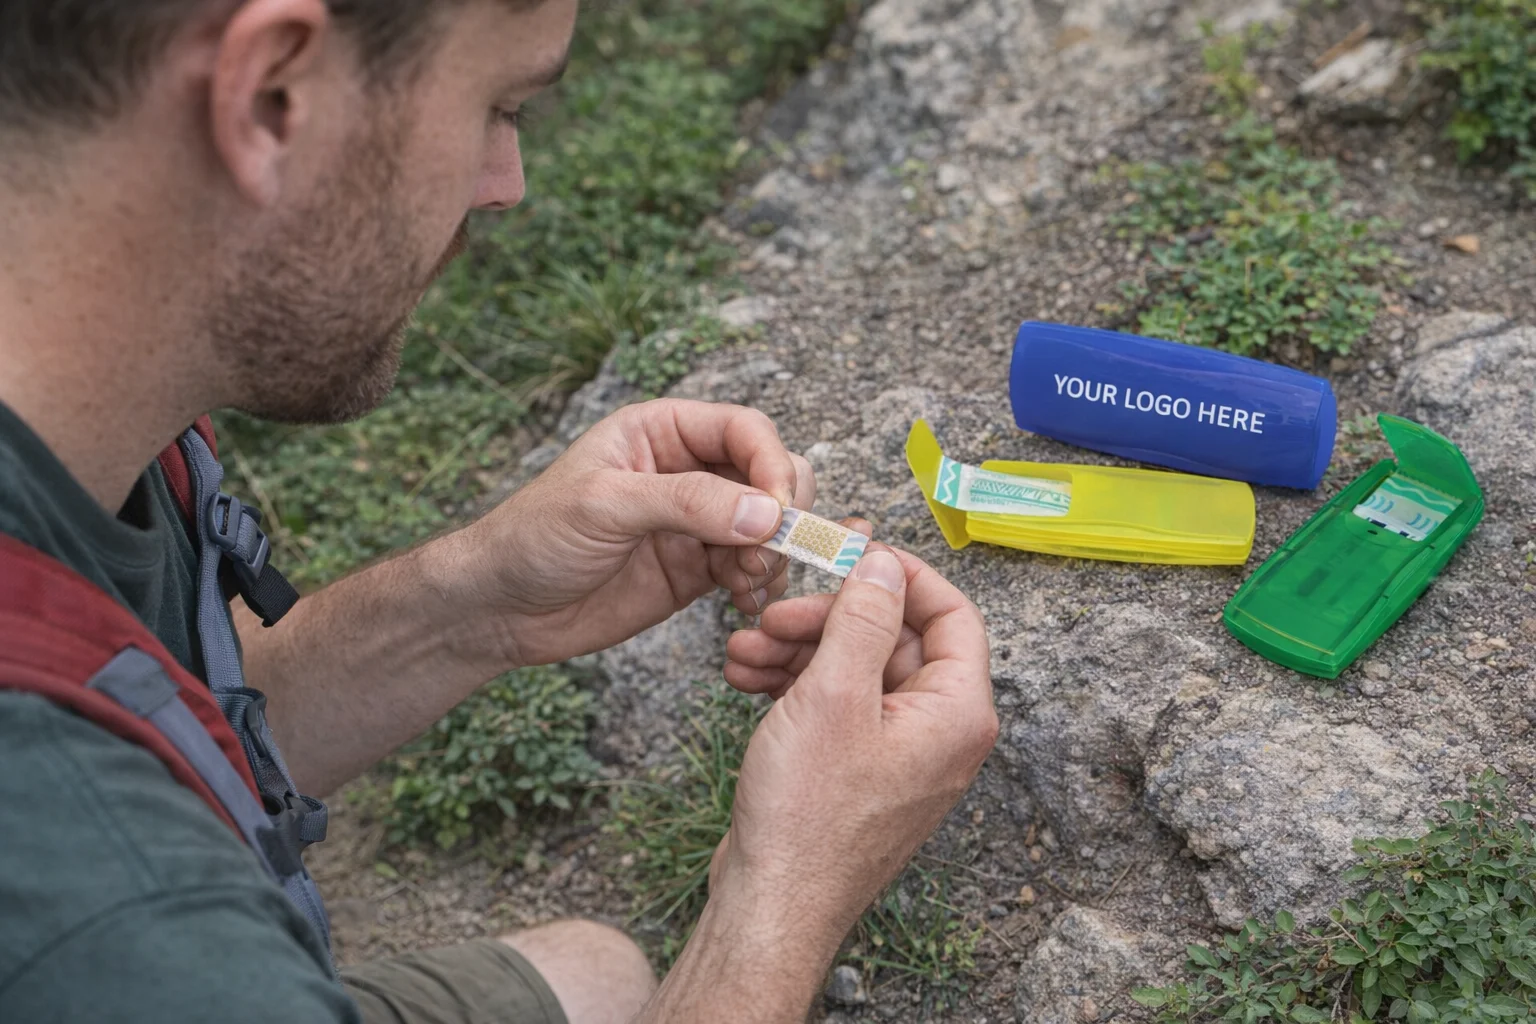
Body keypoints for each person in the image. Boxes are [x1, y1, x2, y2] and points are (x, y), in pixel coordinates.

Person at [0, 1, 999, 1022]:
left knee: (596, 976)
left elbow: (172, 717)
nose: (507, 185)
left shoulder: (79, 412)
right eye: (500, 106)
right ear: (271, 97)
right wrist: (784, 890)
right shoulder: (99, 902)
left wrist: (479, 603)